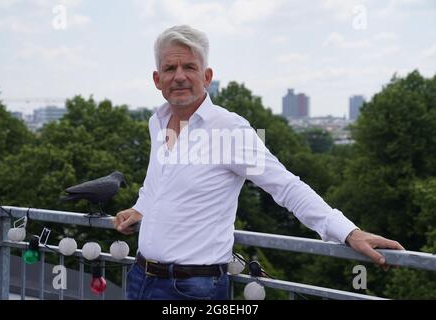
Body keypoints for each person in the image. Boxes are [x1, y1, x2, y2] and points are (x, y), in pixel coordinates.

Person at [113, 25, 404, 300]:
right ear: (157, 79)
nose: (179, 76)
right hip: (140, 276)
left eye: (189, 67)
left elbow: (286, 186)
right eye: (170, 68)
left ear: (207, 76)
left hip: (193, 287)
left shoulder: (230, 130)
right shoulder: (157, 121)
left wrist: (347, 231)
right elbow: (158, 179)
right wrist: (141, 208)